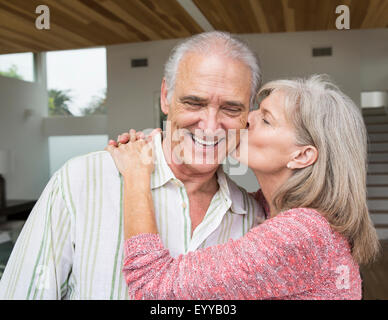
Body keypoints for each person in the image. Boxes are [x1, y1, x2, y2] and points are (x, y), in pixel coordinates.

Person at [0, 31, 265, 299]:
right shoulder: (80, 181)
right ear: (165, 97)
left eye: (231, 109)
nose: (209, 126)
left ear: (248, 114)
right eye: (194, 102)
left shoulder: (253, 221)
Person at [106, 75, 380, 300]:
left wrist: (137, 175)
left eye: (267, 119)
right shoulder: (271, 209)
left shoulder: (302, 233)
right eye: (256, 110)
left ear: (302, 156)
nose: (247, 118)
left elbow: (154, 290)